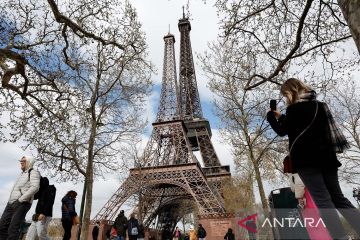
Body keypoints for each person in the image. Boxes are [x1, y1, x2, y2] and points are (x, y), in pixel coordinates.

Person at [267, 78, 360, 239]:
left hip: (306, 161)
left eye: (285, 95)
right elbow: (301, 126)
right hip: (327, 158)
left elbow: (283, 131)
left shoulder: (293, 110)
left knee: (323, 201)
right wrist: (281, 116)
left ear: (290, 92)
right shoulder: (321, 106)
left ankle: (340, 237)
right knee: (339, 198)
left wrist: (271, 118)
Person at [0, 156, 40, 240]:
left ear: (29, 162)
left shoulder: (33, 172)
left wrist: (20, 200)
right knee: (2, 226)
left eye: (23, 161)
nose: (21, 162)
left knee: (13, 228)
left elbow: (35, 187)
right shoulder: (22, 174)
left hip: (22, 203)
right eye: (21, 161)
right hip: (11, 203)